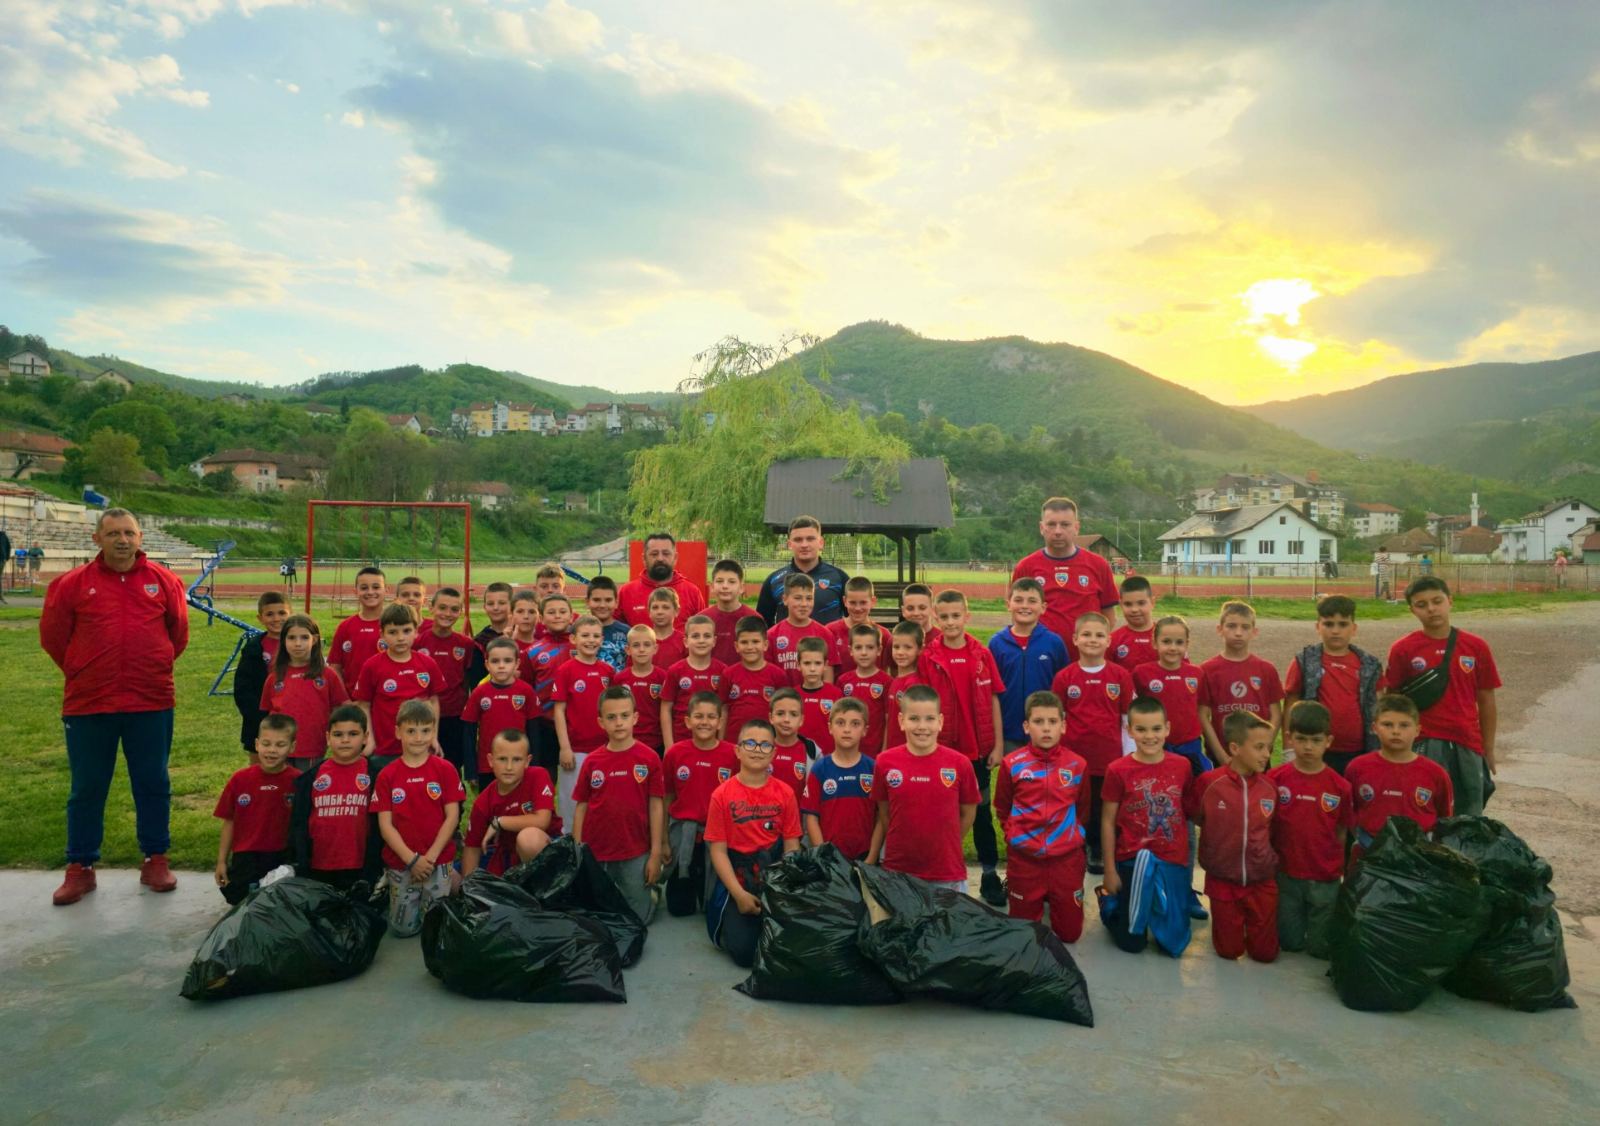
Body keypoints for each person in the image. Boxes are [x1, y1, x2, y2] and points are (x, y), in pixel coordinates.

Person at [40, 508, 190, 906]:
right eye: (113, 534)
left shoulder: (164, 581)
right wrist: (83, 669)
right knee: (87, 787)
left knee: (153, 782)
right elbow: (54, 639)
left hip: (151, 699)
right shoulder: (71, 585)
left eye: (129, 533)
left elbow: (178, 634)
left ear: (141, 538)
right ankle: (80, 867)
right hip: (89, 703)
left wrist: (149, 665)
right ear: (97, 539)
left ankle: (155, 858)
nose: (122, 540)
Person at [1382, 576, 1500, 817]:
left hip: (1467, 741)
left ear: (1450, 601)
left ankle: (1463, 856)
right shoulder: (1403, 649)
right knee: (1423, 812)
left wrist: (1487, 747)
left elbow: (1486, 700)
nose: (1431, 609)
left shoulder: (1476, 646)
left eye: (1437, 601)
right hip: (1424, 741)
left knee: (1469, 814)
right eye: (1421, 604)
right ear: (1412, 610)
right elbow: (1392, 702)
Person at [923, 589, 1006, 904]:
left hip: (978, 753)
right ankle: (937, 869)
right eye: (943, 617)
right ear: (936, 618)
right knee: (942, 813)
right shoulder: (929, 657)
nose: (950, 622)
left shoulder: (982, 654)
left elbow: (995, 699)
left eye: (956, 615)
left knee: (982, 813)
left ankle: (988, 873)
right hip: (943, 751)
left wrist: (997, 745)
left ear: (966, 616)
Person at [993, 691, 1089, 943]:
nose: (1046, 728)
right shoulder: (1012, 763)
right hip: (1025, 861)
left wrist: (1073, 835)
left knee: (1070, 935)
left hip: (1065, 860)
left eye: (1052, 722)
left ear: (1063, 726)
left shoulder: (1077, 764)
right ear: (1026, 726)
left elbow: (1083, 808)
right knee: (1024, 936)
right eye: (1038, 722)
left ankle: (1061, 899)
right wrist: (1015, 836)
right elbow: (1002, 806)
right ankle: (1020, 892)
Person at [1099, 697, 1193, 956]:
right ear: (1129, 730)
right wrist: (1109, 870)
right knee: (1133, 944)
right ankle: (1110, 904)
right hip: (1132, 858)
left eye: (1156, 729)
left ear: (1167, 729)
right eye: (1140, 729)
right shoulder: (1118, 770)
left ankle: (1161, 904)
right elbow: (1107, 821)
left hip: (1172, 859)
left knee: (1172, 945)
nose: (1149, 736)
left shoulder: (1182, 766)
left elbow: (1187, 812)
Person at [705, 718, 803, 966]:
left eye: (764, 745)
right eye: (750, 743)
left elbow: (792, 845)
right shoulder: (721, 795)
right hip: (738, 878)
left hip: (773, 875)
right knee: (745, 953)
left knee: (793, 945)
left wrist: (782, 890)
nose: (757, 750)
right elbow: (717, 851)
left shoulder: (785, 793)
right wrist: (738, 895)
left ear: (774, 753)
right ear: (737, 750)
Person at [868, 684, 980, 895]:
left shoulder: (960, 764)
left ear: (940, 722)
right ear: (901, 721)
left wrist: (947, 842)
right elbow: (884, 811)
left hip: (946, 871)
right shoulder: (885, 762)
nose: (922, 726)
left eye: (929, 719)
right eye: (914, 719)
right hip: (899, 870)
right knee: (903, 927)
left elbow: (968, 812)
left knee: (947, 927)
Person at [1186, 711, 1280, 963]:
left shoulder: (1270, 788)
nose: (1266, 755)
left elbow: (1275, 829)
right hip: (1222, 879)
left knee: (1265, 955)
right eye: (1259, 747)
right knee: (1229, 951)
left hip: (1261, 880)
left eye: (1268, 748)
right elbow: (1196, 816)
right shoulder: (1209, 783)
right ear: (1235, 748)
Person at [1050, 611, 1136, 875]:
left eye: (1099, 635)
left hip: (1108, 758)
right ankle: (1072, 846)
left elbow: (1126, 718)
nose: (1092, 640)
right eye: (1086, 634)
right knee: (1074, 804)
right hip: (1073, 759)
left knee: (1102, 808)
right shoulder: (1065, 677)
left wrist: (1129, 755)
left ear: (1109, 640)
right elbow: (1057, 718)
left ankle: (1098, 848)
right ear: (1075, 639)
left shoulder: (1120, 676)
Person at [571, 686, 666, 923]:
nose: (619, 723)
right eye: (611, 717)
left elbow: (656, 807)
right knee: (599, 916)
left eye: (625, 716)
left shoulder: (649, 758)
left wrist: (655, 853)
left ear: (635, 717)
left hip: (635, 850)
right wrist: (577, 850)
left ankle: (650, 893)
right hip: (597, 850)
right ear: (601, 722)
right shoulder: (592, 761)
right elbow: (581, 806)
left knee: (637, 920)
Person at [1268, 701, 1353, 959]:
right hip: (1286, 873)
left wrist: (1335, 865)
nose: (1307, 747)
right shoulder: (1275, 779)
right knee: (1290, 943)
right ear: (1289, 738)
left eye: (1315, 740)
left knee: (1319, 949)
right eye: (1301, 739)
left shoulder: (1340, 787)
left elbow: (1342, 830)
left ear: (1328, 741)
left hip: (1324, 876)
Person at [373, 700, 464, 937]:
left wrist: (431, 857)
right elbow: (385, 825)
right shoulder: (387, 775)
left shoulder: (445, 769)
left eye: (425, 730)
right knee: (403, 930)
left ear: (434, 731)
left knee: (436, 926)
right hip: (402, 860)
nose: (418, 737)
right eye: (411, 731)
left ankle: (450, 878)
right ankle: (392, 883)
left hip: (437, 859)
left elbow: (452, 816)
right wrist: (412, 860)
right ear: (398, 732)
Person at [1283, 594, 1382, 775]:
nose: (1335, 631)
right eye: (1328, 624)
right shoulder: (1304, 660)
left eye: (1343, 624)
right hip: (1314, 749)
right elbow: (1291, 702)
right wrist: (1289, 749)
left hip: (1357, 750)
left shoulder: (1369, 664)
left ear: (1354, 628)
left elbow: (1378, 705)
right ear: (1318, 627)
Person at [1346, 694, 1453, 857]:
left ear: (1417, 730)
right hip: (1368, 855)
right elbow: (1348, 811)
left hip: (1417, 859)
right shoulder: (1357, 767)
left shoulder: (1436, 774)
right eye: (1387, 724)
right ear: (1374, 728)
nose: (1396, 731)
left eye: (1404, 725)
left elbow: (1444, 819)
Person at [1011, 496, 1118, 660]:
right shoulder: (1026, 566)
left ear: (1077, 527)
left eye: (1065, 524)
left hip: (1085, 662)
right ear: (1041, 527)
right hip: (1041, 660)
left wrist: (1092, 647)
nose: (1058, 531)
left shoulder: (1098, 565)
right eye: (1051, 524)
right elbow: (1018, 615)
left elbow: (1109, 617)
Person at [289, 704, 381, 891]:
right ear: (328, 738)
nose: (345, 740)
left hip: (361, 868)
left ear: (366, 737)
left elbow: (381, 826)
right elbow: (298, 824)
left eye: (353, 734)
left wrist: (375, 868)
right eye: (338, 735)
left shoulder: (377, 777)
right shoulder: (310, 779)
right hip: (319, 868)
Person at [661, 692, 737, 915]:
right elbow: (667, 797)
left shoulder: (732, 754)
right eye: (699, 716)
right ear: (687, 721)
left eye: (711, 717)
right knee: (679, 909)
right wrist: (665, 841)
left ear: (720, 721)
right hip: (683, 834)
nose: (705, 722)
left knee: (709, 906)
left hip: (716, 837)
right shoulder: (675, 753)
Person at [213, 714, 300, 905]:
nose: (272, 751)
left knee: (279, 904)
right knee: (240, 901)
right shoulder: (240, 780)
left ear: (292, 747)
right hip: (247, 856)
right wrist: (221, 861)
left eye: (280, 745)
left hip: (281, 855)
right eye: (267, 744)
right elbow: (229, 821)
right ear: (257, 744)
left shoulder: (299, 781)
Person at [351, 603, 443, 775]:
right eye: (393, 632)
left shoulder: (427, 663)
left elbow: (433, 702)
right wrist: (369, 740)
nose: (400, 638)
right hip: (384, 749)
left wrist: (433, 737)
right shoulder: (372, 666)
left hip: (419, 746)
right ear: (382, 635)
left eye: (406, 631)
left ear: (416, 632)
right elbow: (363, 704)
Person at [989, 578, 1070, 761]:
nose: (1025, 606)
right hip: (1009, 732)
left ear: (1043, 607)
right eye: (1018, 600)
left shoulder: (1054, 642)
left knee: (1046, 783)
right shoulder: (997, 643)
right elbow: (992, 691)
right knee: (1016, 781)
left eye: (1032, 601)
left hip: (1045, 731)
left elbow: (1063, 687)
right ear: (1008, 604)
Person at [1197, 600, 1284, 766]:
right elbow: (1203, 715)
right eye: (1231, 626)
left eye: (1245, 627)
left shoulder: (1266, 669)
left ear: (1254, 632)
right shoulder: (1207, 670)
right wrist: (1221, 756)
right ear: (1219, 629)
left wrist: (1264, 747)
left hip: (1258, 758)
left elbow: (1276, 714)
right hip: (1222, 758)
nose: (1238, 633)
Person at [461, 729, 556, 877]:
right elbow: (472, 847)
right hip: (508, 857)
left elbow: (542, 820)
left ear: (527, 761)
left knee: (528, 839)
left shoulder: (538, 775)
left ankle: (545, 895)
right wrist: (467, 889)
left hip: (548, 850)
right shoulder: (483, 801)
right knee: (453, 876)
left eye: (517, 760)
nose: (509, 767)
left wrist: (500, 822)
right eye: (502, 759)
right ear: (490, 761)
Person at [261, 614, 349, 771]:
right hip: (280, 748)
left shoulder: (327, 675)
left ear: (314, 640)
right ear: (283, 641)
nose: (297, 643)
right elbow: (267, 715)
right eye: (292, 638)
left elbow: (341, 708)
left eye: (304, 637)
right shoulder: (274, 678)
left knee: (305, 790)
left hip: (312, 748)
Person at [552, 615, 617, 826]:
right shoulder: (565, 671)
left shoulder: (607, 671)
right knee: (572, 800)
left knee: (604, 797)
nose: (591, 640)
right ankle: (570, 840)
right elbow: (559, 711)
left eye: (596, 636)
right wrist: (564, 748)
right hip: (576, 750)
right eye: (585, 635)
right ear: (573, 639)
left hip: (604, 748)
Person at [1131, 615, 1208, 776]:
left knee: (1192, 791)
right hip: (1155, 745)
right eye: (1166, 641)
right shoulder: (1141, 673)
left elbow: (1202, 711)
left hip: (1190, 747)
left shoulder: (1197, 674)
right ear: (1154, 643)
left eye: (1179, 642)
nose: (1173, 647)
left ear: (1187, 644)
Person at [802, 697, 877, 860]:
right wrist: (823, 855)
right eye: (840, 723)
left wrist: (872, 857)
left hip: (866, 857)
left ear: (865, 729)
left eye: (855, 724)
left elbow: (881, 818)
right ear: (830, 728)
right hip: (830, 859)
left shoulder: (873, 768)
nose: (847, 730)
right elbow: (812, 818)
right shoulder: (819, 769)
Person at [414, 587, 477, 782]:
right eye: (442, 607)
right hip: (423, 716)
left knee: (450, 768)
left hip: (454, 717)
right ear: (431, 608)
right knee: (421, 766)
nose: (448, 614)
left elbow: (467, 680)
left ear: (460, 612)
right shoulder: (417, 642)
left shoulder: (466, 645)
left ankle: (453, 809)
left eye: (454, 609)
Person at [462, 637, 539, 787]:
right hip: (487, 766)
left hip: (519, 764)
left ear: (517, 663)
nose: (501, 666)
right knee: (490, 807)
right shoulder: (479, 693)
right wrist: (471, 770)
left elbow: (534, 733)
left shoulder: (526, 691)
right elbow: (469, 733)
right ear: (487, 664)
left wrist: (534, 765)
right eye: (495, 661)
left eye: (508, 661)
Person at [757, 515, 850, 626]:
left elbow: (854, 621)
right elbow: (762, 625)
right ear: (789, 544)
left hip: (827, 643)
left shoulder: (839, 578)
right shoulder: (774, 581)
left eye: (810, 539)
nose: (804, 545)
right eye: (798, 540)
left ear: (821, 543)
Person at [520, 593, 573, 775]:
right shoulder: (532, 652)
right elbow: (527, 688)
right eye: (551, 612)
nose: (557, 615)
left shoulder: (581, 646)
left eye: (562, 611)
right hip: (544, 724)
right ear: (541, 618)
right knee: (545, 777)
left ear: (571, 616)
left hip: (575, 725)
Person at [233, 591, 288, 761]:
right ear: (260, 618)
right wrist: (257, 716)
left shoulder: (298, 643)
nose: (276, 618)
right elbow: (243, 689)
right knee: (260, 770)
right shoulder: (253, 648)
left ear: (290, 614)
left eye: (282, 613)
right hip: (260, 720)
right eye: (270, 614)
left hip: (292, 718)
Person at [660, 614, 727, 747]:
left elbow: (724, 709)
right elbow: (666, 708)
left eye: (706, 636)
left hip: (711, 741)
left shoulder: (723, 671)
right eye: (695, 636)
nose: (701, 640)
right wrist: (668, 745)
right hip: (681, 741)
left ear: (714, 641)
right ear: (685, 641)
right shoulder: (675, 670)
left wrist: (721, 741)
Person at [618, 532, 707, 628]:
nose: (660, 558)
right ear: (644, 558)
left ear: (675, 557)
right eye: (654, 554)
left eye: (666, 554)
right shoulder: (626, 592)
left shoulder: (692, 592)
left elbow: (703, 630)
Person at [722, 616, 790, 740]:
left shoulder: (778, 675)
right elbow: (724, 709)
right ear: (736, 646)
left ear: (765, 644)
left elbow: (783, 710)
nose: (750, 647)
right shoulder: (728, 674)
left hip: (766, 742)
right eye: (744, 642)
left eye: (755, 642)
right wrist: (721, 741)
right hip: (733, 741)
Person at [766, 572, 840, 679]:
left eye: (809, 598)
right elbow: (769, 676)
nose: (804, 604)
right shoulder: (772, 635)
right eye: (798, 598)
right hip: (782, 695)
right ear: (785, 599)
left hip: (815, 696)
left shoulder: (825, 634)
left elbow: (828, 678)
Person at [837, 624, 893, 755]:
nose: (863, 652)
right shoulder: (843, 681)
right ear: (850, 650)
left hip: (874, 752)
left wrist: (884, 751)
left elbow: (888, 721)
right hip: (848, 751)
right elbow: (838, 718)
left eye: (870, 647)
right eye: (858, 647)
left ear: (879, 650)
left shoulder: (887, 682)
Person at [613, 624, 669, 754]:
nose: (641, 650)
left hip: (656, 742)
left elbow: (667, 711)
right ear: (628, 649)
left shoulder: (663, 677)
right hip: (627, 741)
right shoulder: (620, 679)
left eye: (647, 645)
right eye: (636, 645)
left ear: (655, 648)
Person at [328, 566, 386, 688]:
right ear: (356, 591)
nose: (370, 592)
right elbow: (335, 667)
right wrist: (344, 699)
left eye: (376, 587)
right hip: (352, 700)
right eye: (364, 588)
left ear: (386, 589)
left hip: (386, 700)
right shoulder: (345, 627)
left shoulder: (395, 624)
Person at [827, 576, 892, 672]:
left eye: (863, 603)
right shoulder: (830, 631)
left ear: (873, 601)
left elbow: (891, 670)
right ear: (845, 601)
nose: (857, 608)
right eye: (852, 603)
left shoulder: (884, 635)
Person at [793, 636, 844, 755]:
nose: (812, 669)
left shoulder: (835, 694)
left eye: (817, 663)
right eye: (807, 663)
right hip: (800, 757)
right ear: (798, 665)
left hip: (829, 756)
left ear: (825, 665)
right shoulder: (793, 695)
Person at [884, 620, 929, 751]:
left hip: (910, 751)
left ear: (920, 649)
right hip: (893, 751)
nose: (900, 652)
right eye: (896, 647)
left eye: (907, 647)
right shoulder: (894, 681)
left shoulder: (915, 685)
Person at [767, 688, 817, 801]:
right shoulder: (761, 748)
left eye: (793, 714)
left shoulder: (812, 751)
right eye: (780, 713)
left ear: (801, 720)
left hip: (798, 817)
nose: (786, 720)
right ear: (771, 718)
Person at [1109, 575, 1158, 672]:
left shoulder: (1166, 637)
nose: (1134, 609)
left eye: (1141, 603)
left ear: (1152, 602)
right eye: (1128, 604)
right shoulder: (1113, 640)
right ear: (1121, 604)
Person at [706, 559, 749, 666]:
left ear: (741, 587)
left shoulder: (752, 618)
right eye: (720, 581)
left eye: (732, 582)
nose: (725, 586)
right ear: (712, 586)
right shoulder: (703, 619)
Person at [584, 575, 630, 672]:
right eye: (596, 600)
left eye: (608, 600)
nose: (602, 605)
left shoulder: (627, 632)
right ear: (587, 602)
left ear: (616, 602)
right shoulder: (578, 630)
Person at [647, 587, 687, 670]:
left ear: (676, 611)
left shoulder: (684, 642)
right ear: (649, 612)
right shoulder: (642, 640)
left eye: (665, 607)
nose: (660, 612)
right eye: (655, 607)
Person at [476, 582, 514, 647]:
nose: (495, 608)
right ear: (485, 607)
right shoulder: (479, 641)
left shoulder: (523, 634)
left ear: (512, 606)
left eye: (502, 603)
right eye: (490, 604)